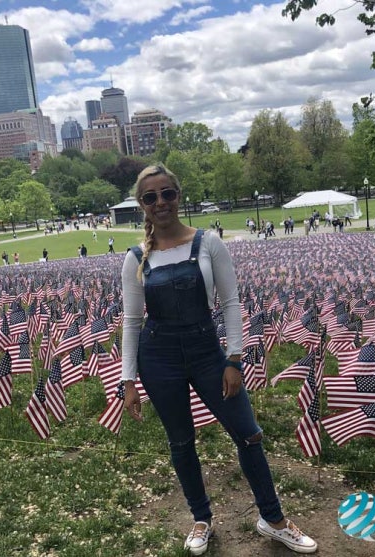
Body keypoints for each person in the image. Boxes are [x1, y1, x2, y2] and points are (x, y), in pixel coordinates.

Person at [121, 165, 317, 556]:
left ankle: (273, 518)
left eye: (167, 194)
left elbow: (230, 303)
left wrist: (235, 359)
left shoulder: (208, 243)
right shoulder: (136, 258)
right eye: (150, 197)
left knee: (248, 431)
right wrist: (128, 381)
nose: (160, 203)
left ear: (179, 195)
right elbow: (131, 321)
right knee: (181, 442)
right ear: (142, 205)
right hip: (159, 358)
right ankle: (201, 518)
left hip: (207, 351)